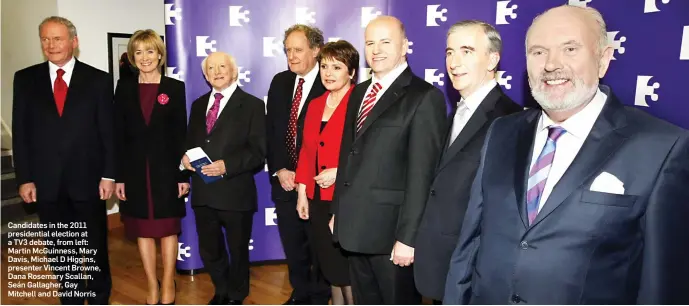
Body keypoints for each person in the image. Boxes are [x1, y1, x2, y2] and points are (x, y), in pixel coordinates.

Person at [444, 5, 689, 304]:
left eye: (570, 48)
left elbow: (662, 286)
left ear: (603, 59)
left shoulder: (662, 147)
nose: (551, 64)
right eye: (538, 52)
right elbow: (470, 243)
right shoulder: (502, 132)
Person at [331, 16, 448, 304]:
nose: (377, 49)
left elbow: (422, 175)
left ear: (405, 46)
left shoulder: (424, 97)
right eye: (371, 42)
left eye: (386, 42)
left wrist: (408, 238)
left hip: (392, 237)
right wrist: (338, 212)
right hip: (354, 230)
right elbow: (348, 155)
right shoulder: (359, 93)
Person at [413, 20, 522, 303]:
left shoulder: (510, 119)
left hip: (472, 270)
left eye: (467, 50)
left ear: (493, 59)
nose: (454, 61)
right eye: (450, 52)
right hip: (441, 260)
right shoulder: (458, 112)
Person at [12, 16, 114, 304]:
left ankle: (97, 295)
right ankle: (70, 294)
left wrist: (109, 174)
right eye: (45, 39)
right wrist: (25, 178)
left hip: (89, 180)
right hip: (45, 183)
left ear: (74, 41)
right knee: (59, 246)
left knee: (94, 245)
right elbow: (20, 133)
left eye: (57, 38)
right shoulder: (25, 79)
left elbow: (108, 131)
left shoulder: (98, 80)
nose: (51, 44)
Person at [181, 51, 266, 305]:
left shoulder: (252, 105)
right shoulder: (197, 105)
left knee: (238, 250)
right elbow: (190, 142)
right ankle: (221, 290)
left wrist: (226, 166)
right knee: (210, 249)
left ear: (233, 71)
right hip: (203, 192)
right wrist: (184, 159)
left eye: (222, 67)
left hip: (235, 192)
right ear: (205, 75)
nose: (217, 72)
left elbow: (258, 151)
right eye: (211, 68)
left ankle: (237, 294)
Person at [113, 29, 188, 305]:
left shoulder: (174, 88)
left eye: (150, 51)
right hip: (133, 173)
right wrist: (118, 177)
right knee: (143, 230)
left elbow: (181, 135)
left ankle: (168, 281)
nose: (145, 57)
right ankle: (151, 284)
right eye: (139, 52)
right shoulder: (123, 88)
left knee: (168, 229)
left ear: (160, 55)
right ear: (132, 57)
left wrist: (182, 175)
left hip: (167, 173)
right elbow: (117, 135)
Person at [265, 24, 330, 305]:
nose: (291, 56)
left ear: (316, 51)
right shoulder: (280, 82)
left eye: (298, 50)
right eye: (288, 50)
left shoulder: (329, 81)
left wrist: (304, 175)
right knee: (293, 244)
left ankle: (320, 294)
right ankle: (300, 292)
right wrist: (280, 169)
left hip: (316, 182)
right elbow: (272, 131)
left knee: (319, 244)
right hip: (284, 181)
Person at [295, 40, 358, 305]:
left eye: (336, 67)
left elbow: (365, 153)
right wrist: (302, 192)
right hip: (318, 198)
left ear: (351, 72)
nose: (328, 73)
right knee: (330, 268)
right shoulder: (315, 104)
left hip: (347, 197)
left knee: (346, 272)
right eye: (324, 66)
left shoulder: (360, 102)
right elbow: (307, 152)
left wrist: (340, 171)